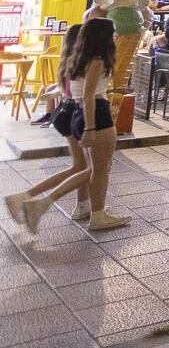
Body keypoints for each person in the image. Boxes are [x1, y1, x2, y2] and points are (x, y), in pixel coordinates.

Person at [14, 19, 129, 232]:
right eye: (112, 33)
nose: (115, 37)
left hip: (77, 113)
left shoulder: (78, 60)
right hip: (95, 114)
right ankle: (85, 212)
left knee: (91, 168)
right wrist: (91, 128)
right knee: (98, 169)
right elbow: (89, 95)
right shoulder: (97, 60)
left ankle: (86, 208)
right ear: (103, 37)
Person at [7, 27, 91, 228]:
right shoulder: (82, 61)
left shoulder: (66, 60)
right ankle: (29, 198)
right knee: (90, 168)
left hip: (64, 112)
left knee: (80, 166)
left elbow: (63, 89)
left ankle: (82, 206)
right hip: (76, 113)